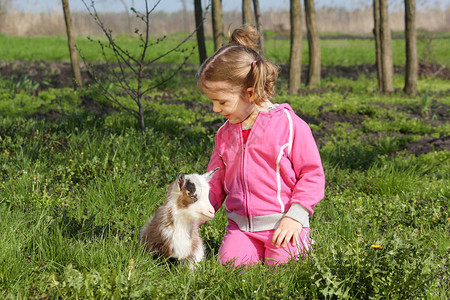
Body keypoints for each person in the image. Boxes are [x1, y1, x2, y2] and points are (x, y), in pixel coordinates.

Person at [197, 25, 325, 267]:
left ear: (249, 93)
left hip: (283, 225)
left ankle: (301, 241)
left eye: (221, 102)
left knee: (285, 270)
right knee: (232, 265)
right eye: (212, 102)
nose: (215, 109)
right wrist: (195, 210)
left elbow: (312, 174)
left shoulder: (289, 126)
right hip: (242, 227)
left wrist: (295, 216)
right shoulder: (225, 135)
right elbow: (215, 181)